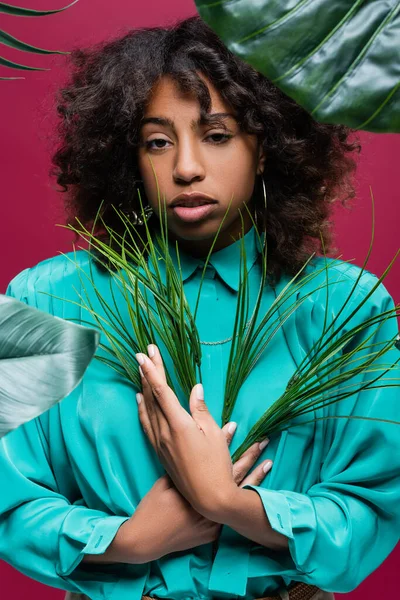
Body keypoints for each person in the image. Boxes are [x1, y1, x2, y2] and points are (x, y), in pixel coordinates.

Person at [1, 14, 399, 600]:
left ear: (265, 149)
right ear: (128, 157)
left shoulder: (349, 308)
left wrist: (228, 503)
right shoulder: (42, 300)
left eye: (217, 135)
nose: (186, 167)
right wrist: (130, 541)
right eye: (158, 142)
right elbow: (9, 500)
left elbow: (372, 506)